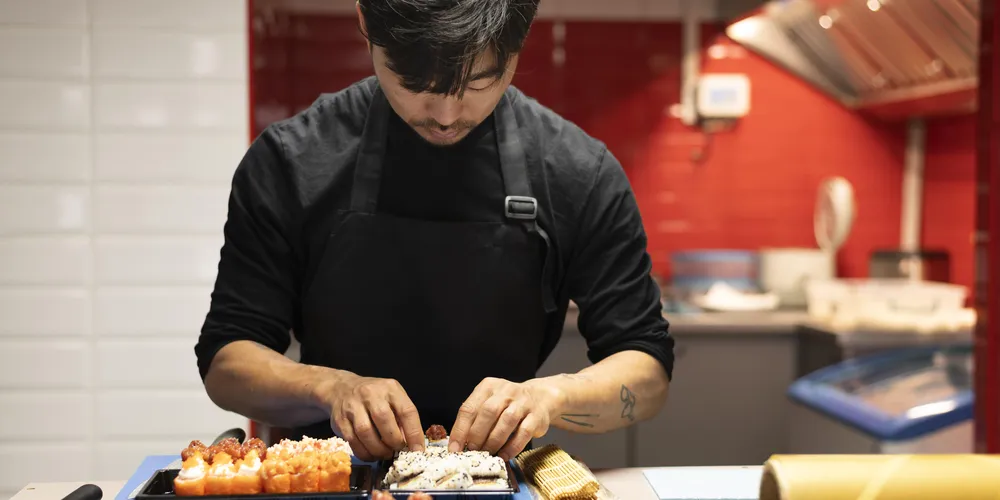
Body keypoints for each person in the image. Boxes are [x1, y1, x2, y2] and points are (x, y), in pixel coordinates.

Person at [195, 0, 674, 463]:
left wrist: (551, 397)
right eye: (414, 82)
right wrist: (331, 388)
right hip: (330, 474)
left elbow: (646, 371)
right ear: (366, 23)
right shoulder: (291, 161)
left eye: (479, 82)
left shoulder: (578, 172)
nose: (445, 115)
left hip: (496, 481)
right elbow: (226, 362)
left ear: (521, 38)